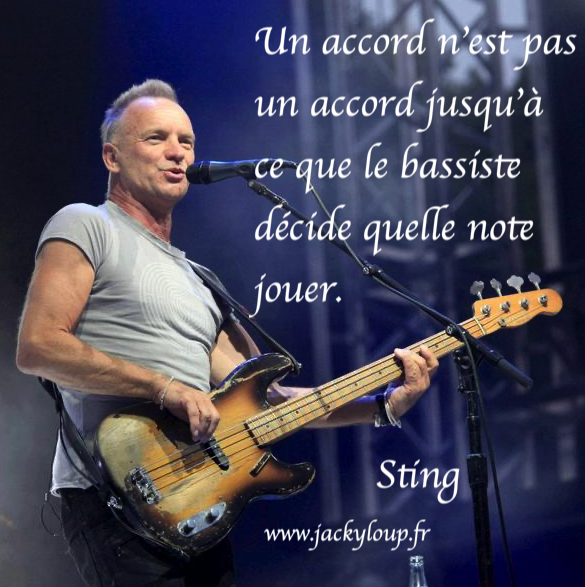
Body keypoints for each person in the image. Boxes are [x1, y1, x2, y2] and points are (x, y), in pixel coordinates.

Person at [16, 80, 438, 587]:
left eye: (186, 141)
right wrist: (165, 388)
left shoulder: (199, 280)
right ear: (113, 157)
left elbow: (269, 401)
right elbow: (38, 347)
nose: (177, 151)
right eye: (156, 138)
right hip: (118, 496)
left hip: (199, 500)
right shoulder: (86, 224)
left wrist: (382, 406)